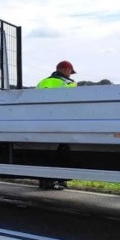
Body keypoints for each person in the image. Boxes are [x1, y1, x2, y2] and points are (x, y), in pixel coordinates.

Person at [36, 60, 77, 189]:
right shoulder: (69, 84)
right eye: (70, 72)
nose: (71, 75)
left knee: (45, 153)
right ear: (65, 70)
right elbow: (74, 105)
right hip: (62, 123)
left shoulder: (42, 82)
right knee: (62, 152)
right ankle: (60, 179)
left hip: (41, 123)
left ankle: (45, 180)